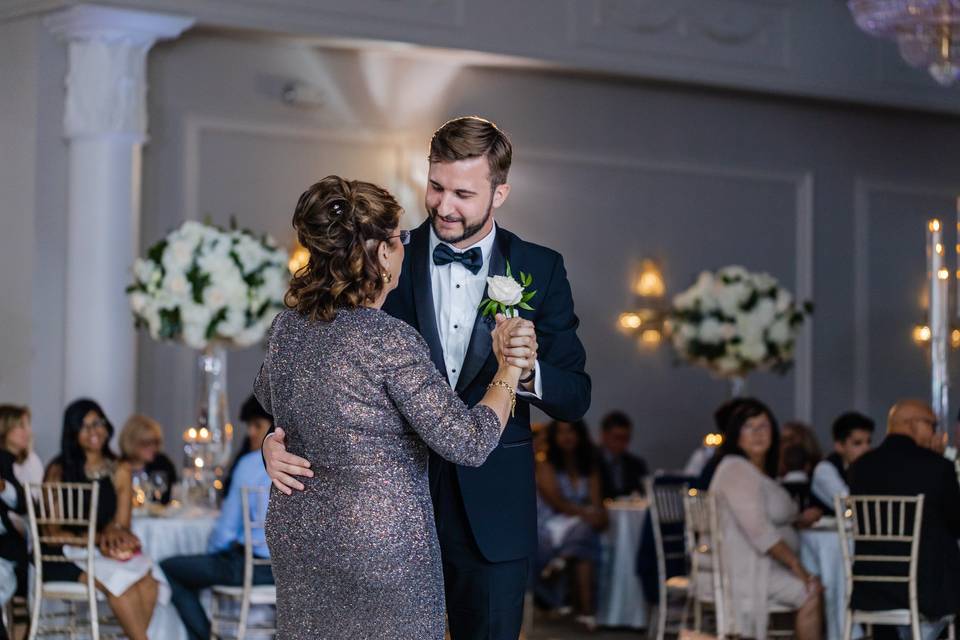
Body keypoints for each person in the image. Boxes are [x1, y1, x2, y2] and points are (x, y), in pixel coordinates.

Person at [262, 117, 591, 639]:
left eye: (463, 193)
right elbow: (313, 372)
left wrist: (525, 371)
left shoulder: (540, 267)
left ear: (499, 192)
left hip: (490, 516)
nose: (443, 205)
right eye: (435, 187)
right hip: (382, 523)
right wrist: (274, 441)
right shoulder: (382, 254)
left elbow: (576, 395)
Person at [708, 399, 823, 640]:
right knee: (811, 591)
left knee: (815, 585)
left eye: (765, 426)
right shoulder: (736, 469)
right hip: (744, 570)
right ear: (736, 434)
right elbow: (759, 531)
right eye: (750, 427)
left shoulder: (755, 471)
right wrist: (798, 568)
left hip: (760, 565)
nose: (759, 433)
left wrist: (799, 519)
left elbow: (772, 514)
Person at [43, 399, 157, 640]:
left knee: (149, 584)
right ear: (73, 432)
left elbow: (122, 525)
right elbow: (51, 533)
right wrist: (96, 539)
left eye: (98, 423)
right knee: (121, 586)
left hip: (102, 552)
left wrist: (117, 535)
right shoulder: (58, 470)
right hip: (62, 556)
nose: (94, 431)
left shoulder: (119, 469)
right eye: (85, 426)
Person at [847, 400, 960, 640]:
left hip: (871, 588)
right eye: (931, 424)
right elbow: (956, 523)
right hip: (927, 589)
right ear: (913, 424)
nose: (935, 432)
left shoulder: (860, 467)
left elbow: (850, 514)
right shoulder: (938, 467)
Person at [160, 449, 273, 640]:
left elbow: (226, 531)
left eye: (256, 426)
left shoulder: (252, 462)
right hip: (300, 570)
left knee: (169, 569)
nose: (252, 432)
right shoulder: (310, 459)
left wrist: (213, 554)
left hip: (254, 567)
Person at [535, 419, 607, 629]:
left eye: (572, 432)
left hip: (577, 523)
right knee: (585, 539)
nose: (567, 437)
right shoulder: (545, 464)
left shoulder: (589, 466)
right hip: (552, 522)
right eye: (562, 432)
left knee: (584, 540)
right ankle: (587, 612)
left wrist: (595, 514)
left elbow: (596, 501)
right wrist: (587, 513)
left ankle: (562, 560)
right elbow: (555, 501)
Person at [810, 411, 874, 516]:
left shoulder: (867, 468)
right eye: (857, 443)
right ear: (839, 446)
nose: (866, 448)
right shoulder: (825, 469)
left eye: (868, 442)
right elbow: (849, 507)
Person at [119, 414, 178, 504]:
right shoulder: (118, 467)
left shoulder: (163, 465)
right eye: (146, 443)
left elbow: (169, 499)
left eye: (156, 442)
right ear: (131, 442)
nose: (153, 447)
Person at [221, 395, 273, 497]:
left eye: (258, 425)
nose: (250, 432)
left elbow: (231, 512)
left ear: (274, 428)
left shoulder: (247, 464)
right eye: (249, 425)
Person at [596, 410, 648, 499]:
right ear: (604, 435)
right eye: (617, 438)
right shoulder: (591, 462)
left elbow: (643, 494)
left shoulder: (637, 464)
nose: (621, 443)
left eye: (625, 438)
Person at [0, 405, 43, 488]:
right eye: (21, 426)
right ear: (4, 427)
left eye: (28, 425)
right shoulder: (3, 461)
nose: (29, 432)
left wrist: (29, 454)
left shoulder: (31, 459)